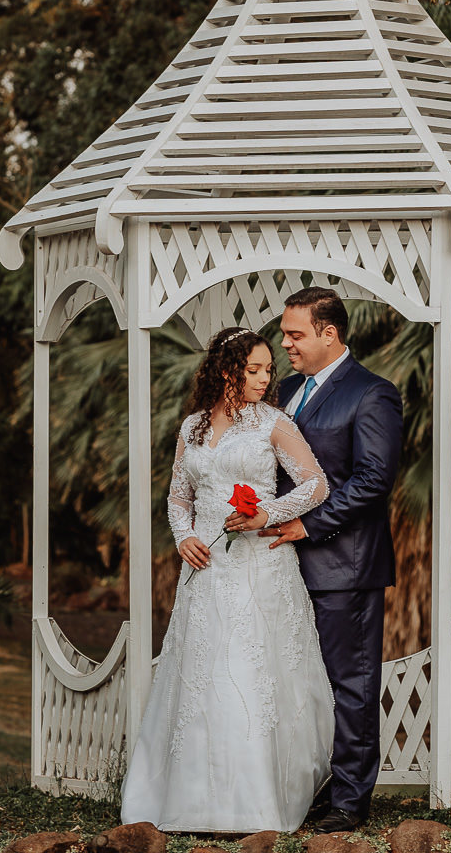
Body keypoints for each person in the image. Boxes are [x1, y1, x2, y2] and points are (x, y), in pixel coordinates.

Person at [120, 328, 335, 834]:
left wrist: (267, 514)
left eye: (268, 369)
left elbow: (317, 484)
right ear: (226, 370)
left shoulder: (274, 424)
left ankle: (255, 801)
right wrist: (183, 537)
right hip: (206, 570)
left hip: (260, 568)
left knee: (248, 672)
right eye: (254, 369)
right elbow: (179, 498)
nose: (265, 378)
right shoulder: (193, 427)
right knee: (202, 673)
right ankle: (191, 798)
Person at [263, 286, 403, 833]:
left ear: (330, 333)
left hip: (345, 565)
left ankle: (350, 800)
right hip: (284, 565)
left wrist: (308, 524)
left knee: (352, 682)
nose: (286, 344)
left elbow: (373, 480)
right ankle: (317, 787)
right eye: (284, 334)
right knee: (302, 683)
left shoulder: (373, 394)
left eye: (296, 335)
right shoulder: (286, 390)